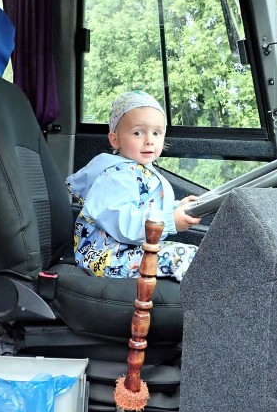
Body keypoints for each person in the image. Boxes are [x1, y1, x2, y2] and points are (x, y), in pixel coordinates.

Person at [66, 90, 201, 281]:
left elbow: (146, 207)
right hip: (107, 258)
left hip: (128, 251)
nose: (149, 140)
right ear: (115, 140)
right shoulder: (116, 176)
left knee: (193, 254)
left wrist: (176, 208)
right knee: (185, 256)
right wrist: (170, 221)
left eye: (156, 133)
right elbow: (125, 224)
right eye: (138, 133)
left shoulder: (139, 170)